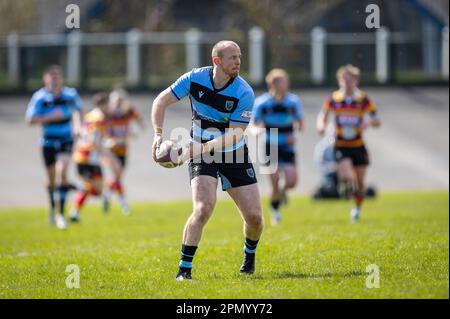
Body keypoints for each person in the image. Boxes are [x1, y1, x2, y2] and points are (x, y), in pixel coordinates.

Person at [151, 40, 264, 280]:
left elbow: (235, 134)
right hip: (202, 154)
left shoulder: (244, 92)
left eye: (239, 56)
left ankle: (249, 256)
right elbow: (161, 101)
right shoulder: (194, 79)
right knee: (202, 209)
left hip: (233, 152)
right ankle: (184, 271)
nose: (238, 61)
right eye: (232, 57)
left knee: (255, 219)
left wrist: (197, 148)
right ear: (217, 61)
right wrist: (158, 135)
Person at [316, 65, 381, 222]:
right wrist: (321, 126)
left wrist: (368, 123)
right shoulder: (334, 99)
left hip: (358, 145)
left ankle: (357, 209)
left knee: (359, 183)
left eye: (350, 79)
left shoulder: (363, 99)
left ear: (356, 81)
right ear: (339, 81)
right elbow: (323, 115)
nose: (347, 82)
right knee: (346, 175)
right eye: (344, 79)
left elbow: (377, 120)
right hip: (341, 145)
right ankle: (344, 185)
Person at [25, 65, 82, 230]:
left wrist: (78, 125)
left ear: (61, 79)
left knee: (62, 172)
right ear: (45, 79)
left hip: (66, 139)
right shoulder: (40, 97)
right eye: (52, 77)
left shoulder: (70, 94)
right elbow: (30, 120)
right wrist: (50, 116)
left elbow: (78, 110)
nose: (55, 80)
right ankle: (52, 208)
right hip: (48, 141)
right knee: (50, 180)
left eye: (57, 77)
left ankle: (60, 215)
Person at [252, 69, 304, 225]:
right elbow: (253, 123)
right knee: (274, 180)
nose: (286, 85)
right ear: (273, 84)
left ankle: (282, 194)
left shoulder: (293, 102)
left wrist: (296, 134)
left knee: (291, 181)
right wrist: (257, 131)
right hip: (270, 142)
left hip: (287, 143)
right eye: (283, 82)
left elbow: (300, 123)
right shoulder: (262, 103)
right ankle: (275, 210)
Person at [70, 92, 116, 222]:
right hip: (90, 158)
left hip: (80, 155)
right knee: (97, 191)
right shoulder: (100, 118)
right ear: (104, 104)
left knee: (91, 188)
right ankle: (74, 188)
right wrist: (105, 153)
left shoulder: (89, 115)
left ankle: (75, 213)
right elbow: (93, 139)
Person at [102, 87, 145, 215]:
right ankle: (123, 204)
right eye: (116, 101)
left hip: (123, 149)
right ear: (111, 102)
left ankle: (107, 195)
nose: (118, 104)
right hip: (109, 150)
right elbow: (100, 131)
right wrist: (109, 140)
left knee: (117, 178)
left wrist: (135, 131)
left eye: (121, 101)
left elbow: (140, 122)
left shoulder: (128, 112)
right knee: (116, 175)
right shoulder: (107, 114)